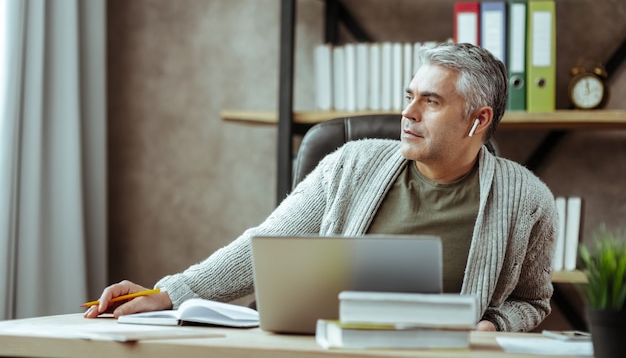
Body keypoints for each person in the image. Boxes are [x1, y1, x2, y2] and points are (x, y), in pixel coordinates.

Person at [85, 42, 557, 332]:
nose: (409, 113)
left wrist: (494, 322)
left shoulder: (528, 200)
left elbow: (532, 302)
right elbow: (262, 246)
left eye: (430, 102)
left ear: (479, 119)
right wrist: (169, 292)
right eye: (409, 96)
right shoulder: (351, 165)